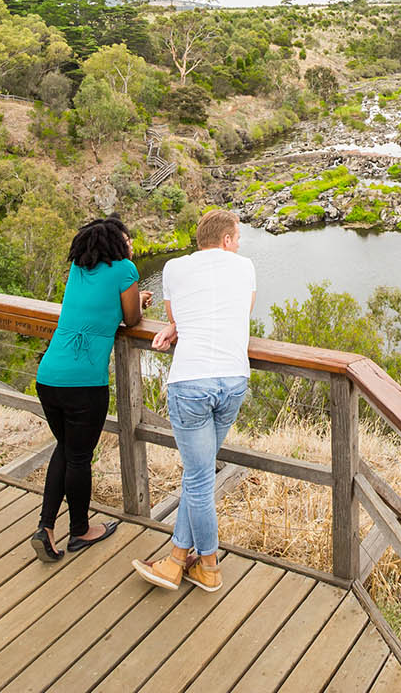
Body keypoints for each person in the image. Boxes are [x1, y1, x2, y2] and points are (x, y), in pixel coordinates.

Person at [132, 209, 254, 594]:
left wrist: (172, 328)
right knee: (198, 475)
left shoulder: (174, 268)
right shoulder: (245, 266)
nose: (239, 243)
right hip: (234, 379)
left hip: (192, 381)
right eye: (237, 236)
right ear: (226, 240)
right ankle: (175, 559)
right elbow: (241, 313)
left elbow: (177, 316)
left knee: (198, 476)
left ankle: (209, 566)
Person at [29, 216, 150, 562]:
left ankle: (46, 527)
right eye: (126, 239)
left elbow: (95, 306)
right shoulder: (125, 269)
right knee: (79, 457)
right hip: (84, 382)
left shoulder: (79, 271)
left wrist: (131, 300)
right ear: (116, 243)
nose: (129, 243)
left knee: (66, 449)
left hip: (49, 376)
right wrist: (139, 301)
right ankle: (80, 531)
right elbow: (131, 320)